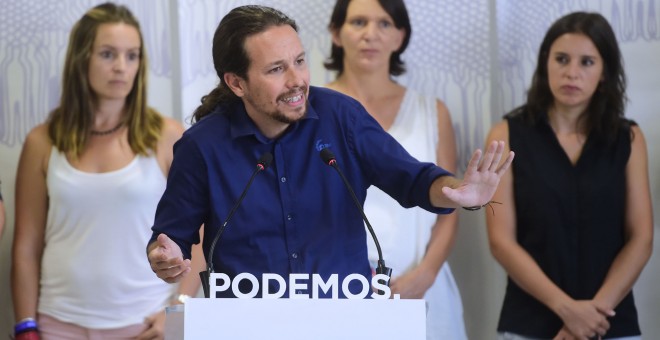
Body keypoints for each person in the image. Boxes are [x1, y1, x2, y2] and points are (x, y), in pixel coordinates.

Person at [147, 5, 513, 301]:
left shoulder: (342, 117)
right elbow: (170, 238)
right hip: (247, 324)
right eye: (277, 69)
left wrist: (456, 189)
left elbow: (413, 178)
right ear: (236, 83)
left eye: (300, 61)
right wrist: (165, 257)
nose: (297, 80)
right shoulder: (201, 146)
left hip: (344, 319)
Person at [10, 3, 194, 339]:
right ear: (82, 59)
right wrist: (26, 325)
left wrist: (179, 309)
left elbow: (201, 232)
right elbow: (26, 244)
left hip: (144, 325)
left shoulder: (166, 137)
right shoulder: (42, 141)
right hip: (57, 324)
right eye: (108, 54)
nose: (122, 67)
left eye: (132, 55)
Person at [485, 12, 653, 340]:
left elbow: (641, 238)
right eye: (561, 59)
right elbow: (501, 241)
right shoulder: (505, 134)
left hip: (609, 322)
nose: (572, 72)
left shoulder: (629, 138)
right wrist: (567, 310)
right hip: (530, 323)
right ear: (545, 63)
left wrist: (592, 315)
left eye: (587, 62)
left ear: (605, 72)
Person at [324, 0, 466, 338]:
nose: (370, 34)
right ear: (336, 33)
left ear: (400, 36)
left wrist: (426, 274)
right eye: (358, 22)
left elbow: (449, 205)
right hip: (334, 287)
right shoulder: (311, 110)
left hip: (421, 286)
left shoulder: (432, 112)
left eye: (384, 24)